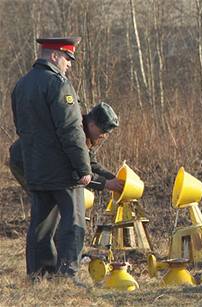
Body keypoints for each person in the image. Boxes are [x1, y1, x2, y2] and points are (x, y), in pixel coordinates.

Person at [11, 37, 92, 281]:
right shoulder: (58, 85)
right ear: (55, 55)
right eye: (67, 58)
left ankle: (39, 275)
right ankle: (67, 275)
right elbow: (71, 129)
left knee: (41, 225)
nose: (69, 65)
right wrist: (82, 166)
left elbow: (20, 128)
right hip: (61, 170)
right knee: (73, 221)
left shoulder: (21, 85)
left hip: (34, 167)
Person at [9, 102, 123, 194]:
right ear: (92, 124)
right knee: (47, 199)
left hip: (44, 161)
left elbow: (89, 163)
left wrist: (114, 179)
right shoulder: (74, 134)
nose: (104, 136)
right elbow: (75, 172)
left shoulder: (86, 131)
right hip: (25, 160)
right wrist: (105, 183)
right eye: (103, 131)